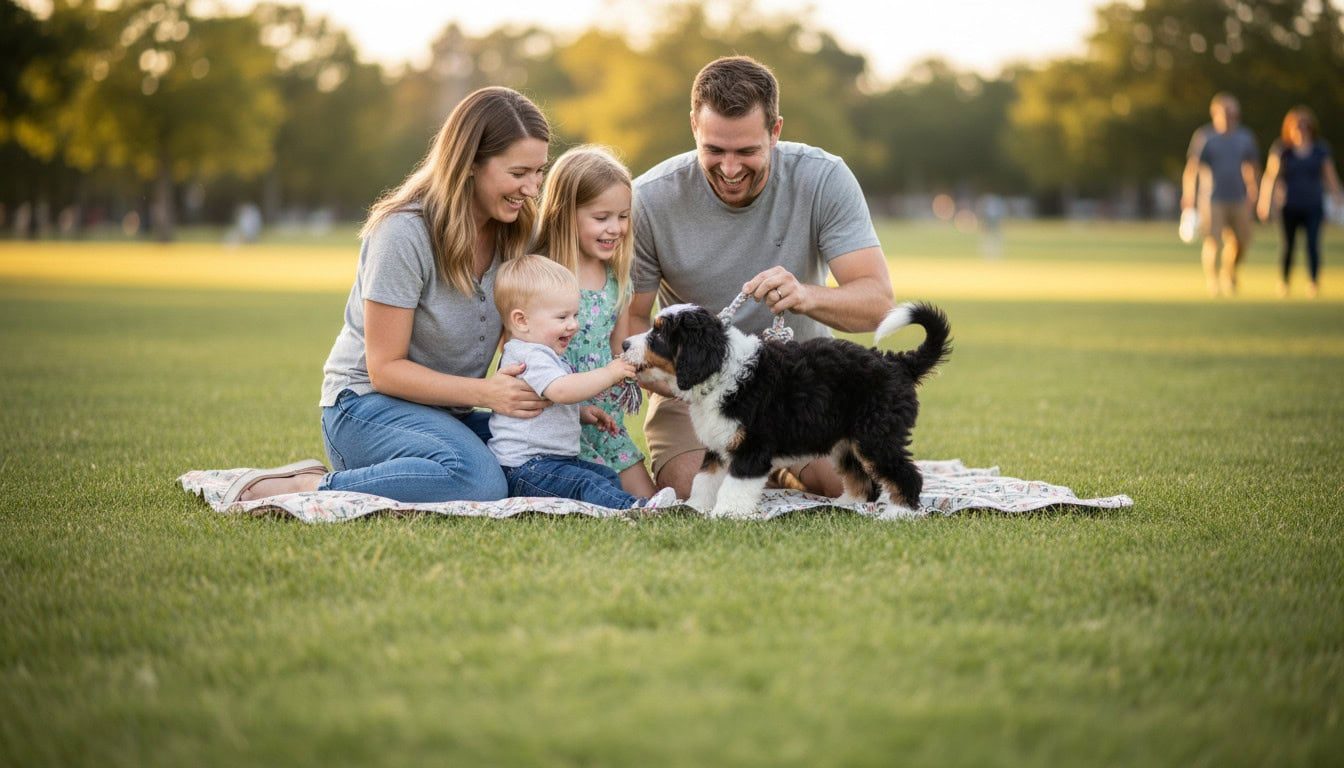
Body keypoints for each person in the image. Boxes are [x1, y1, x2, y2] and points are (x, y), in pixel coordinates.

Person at [222, 86, 551, 504]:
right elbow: (385, 370)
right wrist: (486, 394)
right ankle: (308, 486)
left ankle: (417, 470)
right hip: (362, 408)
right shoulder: (404, 232)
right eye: (519, 173)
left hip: (445, 415)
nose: (532, 188)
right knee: (479, 482)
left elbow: (522, 337)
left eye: (539, 172)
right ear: (469, 163)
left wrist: (560, 395)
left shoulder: (515, 230)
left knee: (547, 451)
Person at [626, 55, 894, 499]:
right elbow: (633, 319)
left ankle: (775, 467)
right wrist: (663, 379)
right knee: (690, 489)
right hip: (697, 395)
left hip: (798, 390)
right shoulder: (649, 199)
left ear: (775, 131)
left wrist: (806, 295)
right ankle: (762, 467)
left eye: (747, 151)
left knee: (852, 485)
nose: (729, 169)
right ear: (694, 126)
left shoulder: (824, 178)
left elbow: (878, 303)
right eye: (714, 150)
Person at [488, 255, 676, 509]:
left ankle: (626, 503)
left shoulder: (545, 352)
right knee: (587, 483)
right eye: (562, 317)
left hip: (553, 462)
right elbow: (562, 390)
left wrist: (582, 412)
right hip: (527, 468)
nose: (573, 325)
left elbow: (549, 400)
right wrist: (611, 372)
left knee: (605, 476)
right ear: (521, 320)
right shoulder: (530, 355)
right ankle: (635, 509)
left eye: (575, 315)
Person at [533, 145, 658, 497]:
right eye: (601, 217)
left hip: (605, 419)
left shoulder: (617, 279)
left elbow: (621, 349)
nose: (615, 228)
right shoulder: (539, 275)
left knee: (651, 503)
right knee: (600, 497)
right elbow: (517, 350)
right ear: (564, 213)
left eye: (623, 216)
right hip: (556, 421)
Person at [1256, 106, 1344, 299]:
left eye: (1305, 126)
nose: (1301, 130)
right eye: (1297, 126)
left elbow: (1330, 176)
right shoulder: (1283, 150)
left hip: (1313, 204)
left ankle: (1313, 282)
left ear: (1311, 128)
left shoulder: (1320, 150)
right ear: (1289, 128)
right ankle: (1285, 282)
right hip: (1289, 205)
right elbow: (1271, 177)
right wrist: (1265, 202)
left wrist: (1338, 196)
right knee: (1288, 245)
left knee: (1313, 244)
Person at [1181, 92, 1261, 297]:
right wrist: (1188, 196)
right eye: (1224, 111)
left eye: (1232, 111)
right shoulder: (1206, 136)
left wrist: (1254, 191)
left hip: (1239, 198)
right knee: (1213, 242)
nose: (1228, 115)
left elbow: (1252, 167)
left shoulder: (1245, 137)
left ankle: (1230, 272)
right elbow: (1192, 169)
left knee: (1242, 241)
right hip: (1212, 199)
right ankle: (1213, 281)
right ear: (1215, 112)